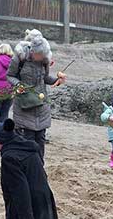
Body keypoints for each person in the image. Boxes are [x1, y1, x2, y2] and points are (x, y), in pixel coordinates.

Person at [6, 30, 67, 162]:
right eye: (39, 54)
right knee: (27, 138)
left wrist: (57, 81)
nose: (41, 57)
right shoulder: (19, 58)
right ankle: (28, 164)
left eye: (43, 55)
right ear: (32, 51)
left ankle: (39, 166)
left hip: (41, 105)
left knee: (40, 138)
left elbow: (45, 78)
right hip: (24, 104)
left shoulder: (45, 60)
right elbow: (9, 76)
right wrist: (18, 85)